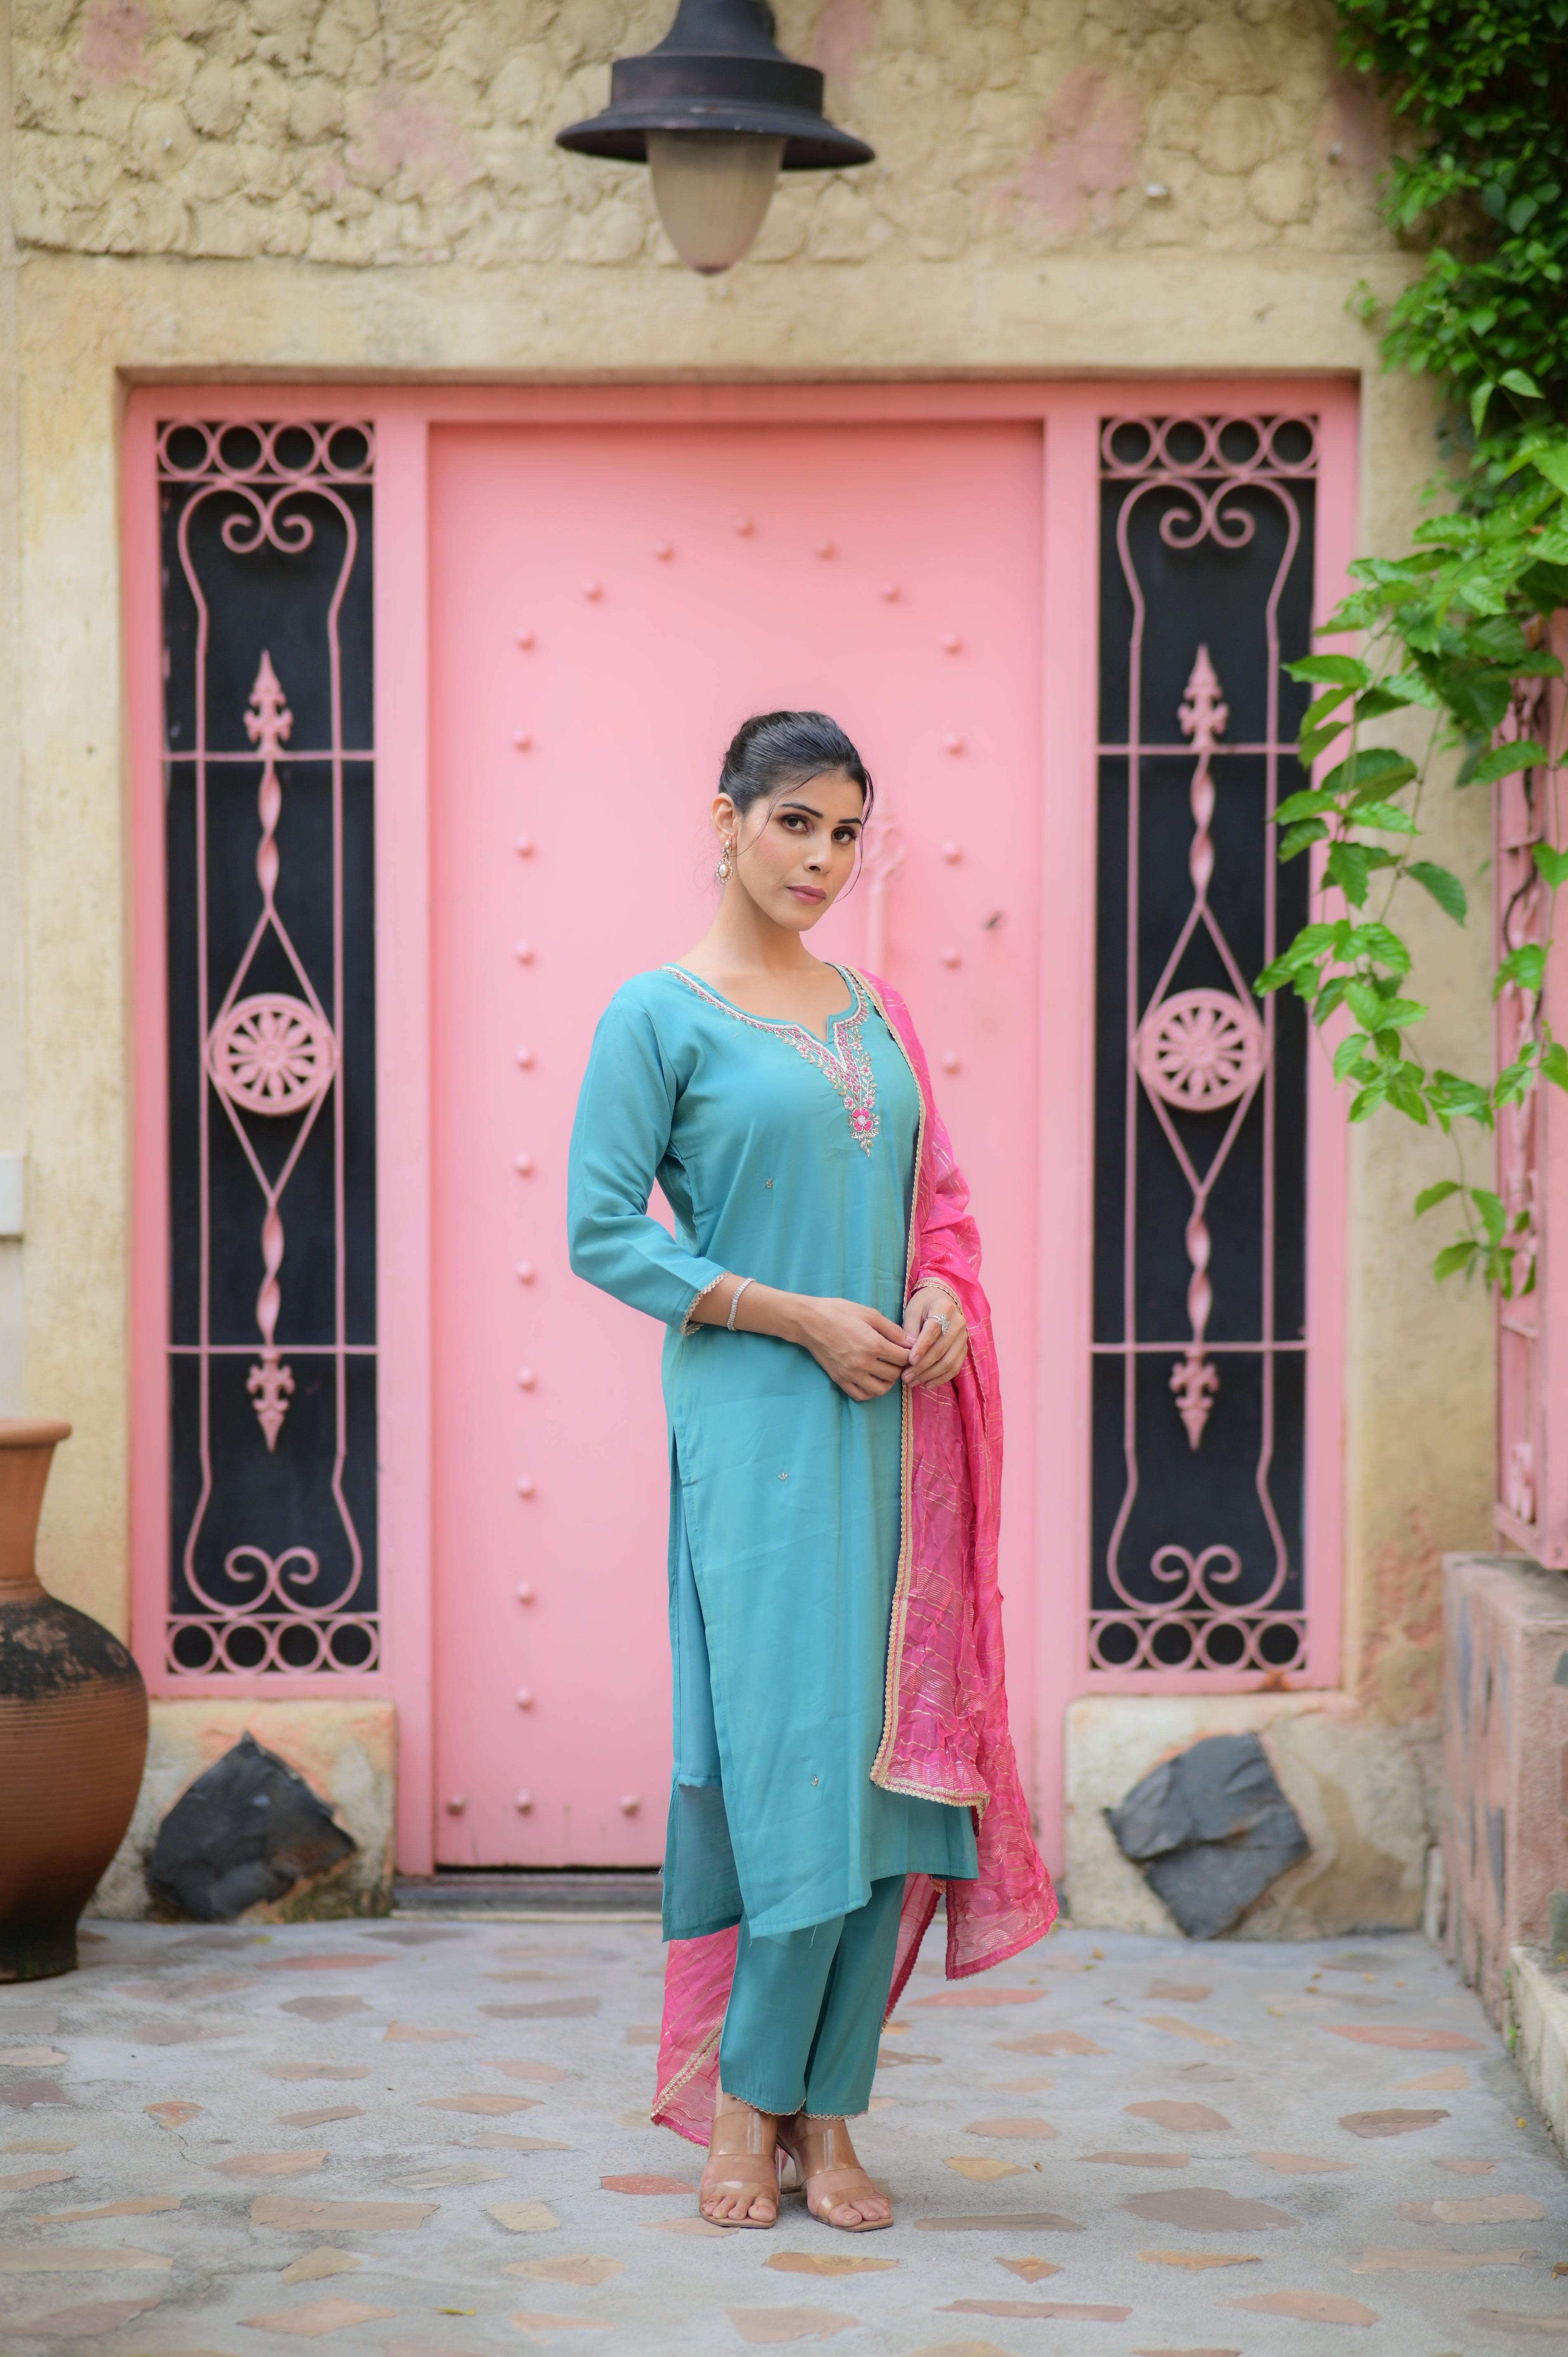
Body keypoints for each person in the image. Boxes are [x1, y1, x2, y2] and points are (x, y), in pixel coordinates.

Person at [568, 711, 1055, 2234]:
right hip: (760, 1437)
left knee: (892, 1783)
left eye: (847, 833)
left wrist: (940, 1309)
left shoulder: (877, 1012)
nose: (823, 861)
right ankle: (741, 2101)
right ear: (725, 822)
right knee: (786, 1776)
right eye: (795, 824)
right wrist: (790, 1318)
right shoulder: (659, 1015)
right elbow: (604, 1232)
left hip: (899, 1440)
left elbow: (944, 1209)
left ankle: (830, 2117)